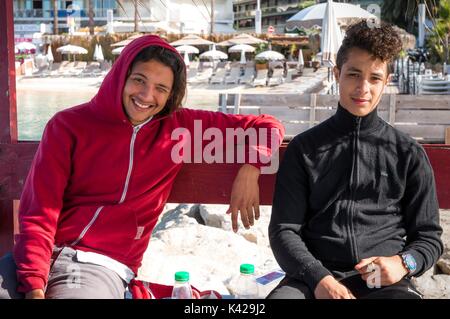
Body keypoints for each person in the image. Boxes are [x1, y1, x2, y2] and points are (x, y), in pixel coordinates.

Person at [0, 35, 284, 299]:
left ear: (172, 94)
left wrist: (250, 169)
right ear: (121, 76)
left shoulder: (180, 128)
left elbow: (268, 126)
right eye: (139, 80)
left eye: (161, 88)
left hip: (98, 264)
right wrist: (35, 283)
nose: (147, 95)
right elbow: (40, 212)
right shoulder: (67, 126)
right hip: (35, 255)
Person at [267, 20, 443, 299]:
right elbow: (283, 231)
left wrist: (402, 264)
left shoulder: (408, 153)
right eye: (353, 74)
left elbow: (429, 238)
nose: (363, 88)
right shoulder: (305, 148)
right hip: (314, 276)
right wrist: (318, 278)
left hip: (383, 280)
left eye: (374, 78)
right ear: (337, 74)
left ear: (386, 82)